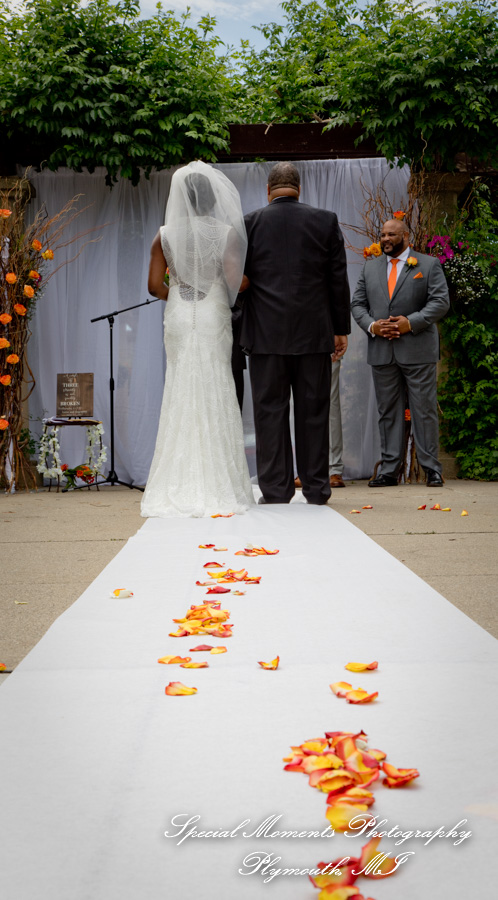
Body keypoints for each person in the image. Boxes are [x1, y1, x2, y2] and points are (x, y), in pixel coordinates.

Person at [141, 162, 254, 517]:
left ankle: (176, 480)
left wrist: (179, 293)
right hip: (211, 313)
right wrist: (245, 282)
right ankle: (218, 481)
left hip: (178, 313)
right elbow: (235, 282)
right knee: (215, 383)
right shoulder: (225, 233)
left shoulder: (164, 235)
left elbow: (154, 286)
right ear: (212, 198)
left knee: (180, 386)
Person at [240, 161, 351, 505]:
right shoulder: (325, 220)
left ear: (268, 190)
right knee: (314, 411)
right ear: (299, 189)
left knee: (269, 413)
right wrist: (340, 329)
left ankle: (276, 490)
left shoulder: (250, 223)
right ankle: (316, 488)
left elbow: (238, 281)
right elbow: (337, 278)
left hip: (265, 336)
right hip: (313, 334)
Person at [351, 218, 450, 487]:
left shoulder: (428, 264)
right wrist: (373, 326)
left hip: (418, 350)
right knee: (388, 412)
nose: (385, 239)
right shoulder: (370, 268)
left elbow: (440, 302)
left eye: (391, 234)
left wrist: (411, 323)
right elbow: (357, 304)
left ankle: (432, 469)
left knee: (424, 410)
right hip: (382, 351)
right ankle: (389, 471)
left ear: (406, 236)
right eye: (383, 234)